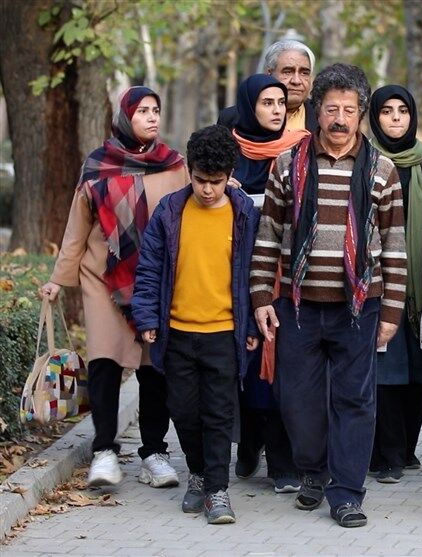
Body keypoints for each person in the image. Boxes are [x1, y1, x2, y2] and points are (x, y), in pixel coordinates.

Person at [249, 63, 406, 528]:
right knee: (297, 399)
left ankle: (346, 493)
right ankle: (313, 473)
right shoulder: (287, 166)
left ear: (362, 115)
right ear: (317, 111)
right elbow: (268, 235)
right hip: (296, 306)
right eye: (331, 109)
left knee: (355, 401)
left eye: (349, 110)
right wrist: (261, 297)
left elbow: (395, 246)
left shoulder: (382, 171)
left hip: (360, 307)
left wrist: (393, 310)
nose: (340, 119)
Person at [41, 86, 187, 490]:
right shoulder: (98, 165)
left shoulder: (174, 166)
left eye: (156, 110)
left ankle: (154, 453)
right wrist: (58, 279)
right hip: (103, 280)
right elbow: (77, 229)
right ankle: (104, 451)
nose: (152, 118)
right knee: (105, 363)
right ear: (126, 117)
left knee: (153, 369)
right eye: (143, 111)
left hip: (155, 281)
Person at [131, 124, 260, 525]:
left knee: (219, 413)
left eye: (216, 182)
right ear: (189, 171)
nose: (207, 189)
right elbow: (150, 268)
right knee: (184, 411)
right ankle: (199, 476)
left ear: (230, 174)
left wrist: (254, 326)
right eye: (201, 180)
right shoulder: (170, 212)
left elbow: (256, 274)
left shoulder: (244, 216)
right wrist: (148, 317)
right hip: (178, 332)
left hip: (224, 332)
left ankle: (218, 490)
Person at [367, 85, 422, 483]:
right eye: (386, 111)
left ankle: (407, 449)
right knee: (386, 370)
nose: (396, 118)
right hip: (380, 282)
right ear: (375, 118)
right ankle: (386, 455)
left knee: (416, 371)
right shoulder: (365, 160)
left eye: (403, 110)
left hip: (421, 281)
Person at [228, 74, 309, 492]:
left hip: (287, 276)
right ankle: (249, 442)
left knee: (281, 368)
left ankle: (282, 462)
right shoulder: (228, 152)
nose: (277, 110)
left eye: (281, 102)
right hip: (239, 277)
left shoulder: (300, 150)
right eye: (266, 102)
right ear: (248, 107)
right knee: (249, 367)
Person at [218, 39, 318, 133]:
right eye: (287, 72)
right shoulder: (231, 119)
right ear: (269, 74)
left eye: (304, 73)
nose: (296, 81)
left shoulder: (323, 116)